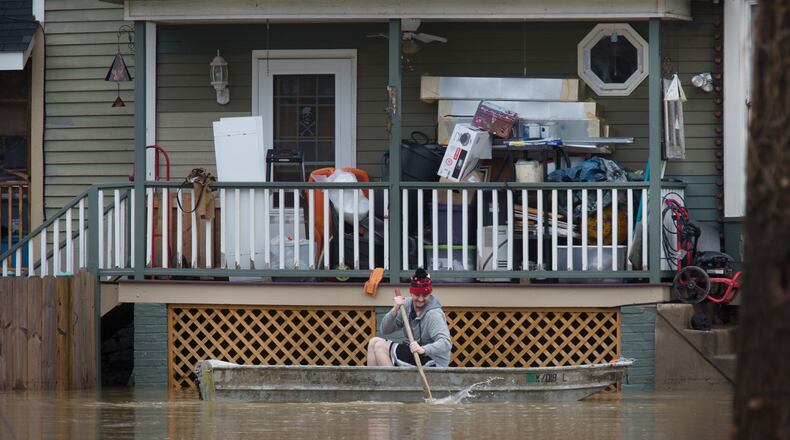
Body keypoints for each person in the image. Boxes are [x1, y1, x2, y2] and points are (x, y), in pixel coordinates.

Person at [366, 268, 452, 368]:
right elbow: (385, 330)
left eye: (425, 295)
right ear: (411, 293)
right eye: (417, 295)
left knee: (380, 347)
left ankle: (391, 383)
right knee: (374, 341)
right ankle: (372, 382)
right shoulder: (406, 305)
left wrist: (423, 349)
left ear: (430, 293)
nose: (420, 299)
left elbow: (446, 343)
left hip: (433, 361)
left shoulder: (433, 314)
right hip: (414, 354)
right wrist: (394, 309)